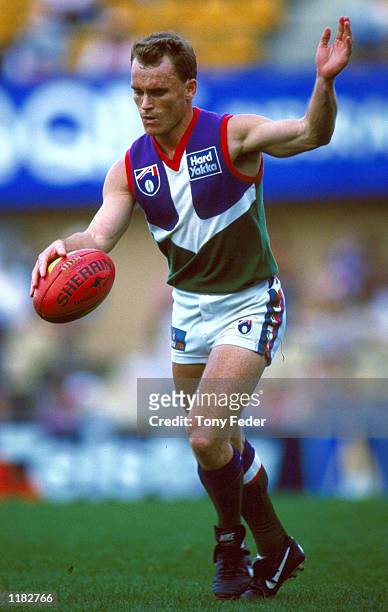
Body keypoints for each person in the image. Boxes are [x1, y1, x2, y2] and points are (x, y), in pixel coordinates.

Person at [30, 18, 353, 600]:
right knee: (218, 439)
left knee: (206, 438)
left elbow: (311, 134)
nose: (145, 104)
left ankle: (229, 544)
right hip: (190, 311)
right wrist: (62, 249)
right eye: (137, 93)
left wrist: (324, 83)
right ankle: (277, 548)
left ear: (189, 88)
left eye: (157, 91)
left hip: (251, 301)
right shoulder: (131, 165)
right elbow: (98, 238)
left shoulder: (232, 136)